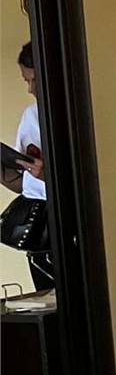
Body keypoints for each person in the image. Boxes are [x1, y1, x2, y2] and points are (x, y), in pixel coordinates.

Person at [3, 43, 51, 291]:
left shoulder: (82, 112)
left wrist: (47, 176)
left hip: (64, 222)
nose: (30, 89)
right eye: (26, 81)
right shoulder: (31, 116)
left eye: (34, 80)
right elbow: (26, 185)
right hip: (37, 226)